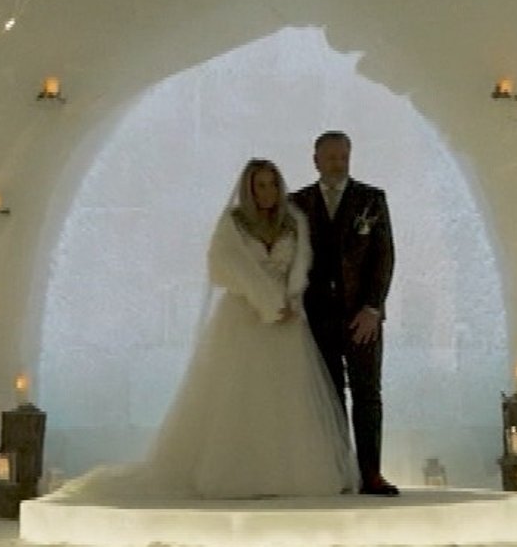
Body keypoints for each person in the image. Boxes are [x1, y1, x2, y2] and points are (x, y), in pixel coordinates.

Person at [54, 158, 356, 501]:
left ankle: (288, 474)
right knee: (239, 396)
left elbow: (300, 269)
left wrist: (291, 302)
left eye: (273, 184)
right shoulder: (234, 224)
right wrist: (267, 301)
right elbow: (224, 268)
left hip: (286, 326)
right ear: (249, 189)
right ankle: (239, 473)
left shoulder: (294, 223)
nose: (268, 192)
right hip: (245, 320)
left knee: (285, 400)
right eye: (260, 185)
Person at [291, 130, 399, 496]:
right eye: (331, 157)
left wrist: (373, 308)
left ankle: (371, 473)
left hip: (362, 319)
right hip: (316, 317)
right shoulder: (298, 203)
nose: (338, 163)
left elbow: (384, 257)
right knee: (328, 395)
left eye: (343, 157)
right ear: (316, 160)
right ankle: (336, 473)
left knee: (368, 394)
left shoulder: (371, 199)